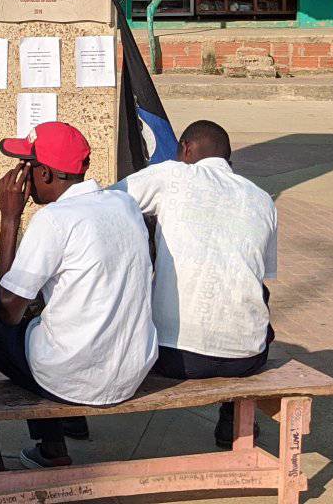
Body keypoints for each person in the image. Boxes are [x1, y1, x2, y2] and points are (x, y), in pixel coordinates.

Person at [0, 121, 156, 475]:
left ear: (45, 173)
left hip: (73, 380)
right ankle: (52, 448)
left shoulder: (55, 219)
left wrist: (9, 219)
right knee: (42, 318)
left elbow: (7, 311)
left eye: (25, 167)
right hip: (131, 371)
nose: (19, 176)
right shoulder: (123, 204)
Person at [116, 120, 278, 449]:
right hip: (246, 358)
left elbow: (107, 204)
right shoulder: (262, 199)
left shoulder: (171, 174)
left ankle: (67, 421)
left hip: (171, 357)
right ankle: (232, 419)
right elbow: (262, 274)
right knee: (255, 291)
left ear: (186, 150)